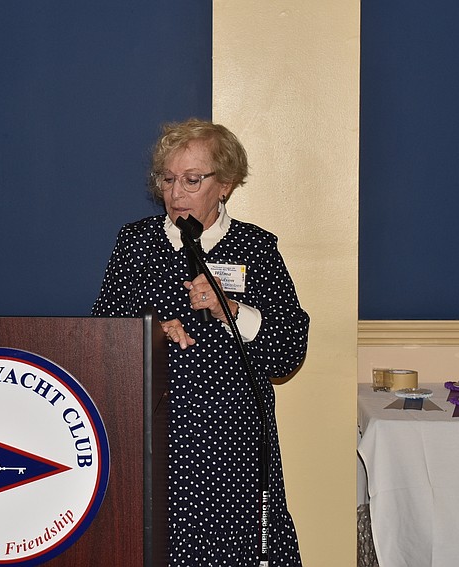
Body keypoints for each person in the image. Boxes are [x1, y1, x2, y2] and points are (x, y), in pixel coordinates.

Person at [92, 118, 309, 566]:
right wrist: (149, 331)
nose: (176, 194)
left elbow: (289, 350)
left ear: (225, 185)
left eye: (192, 181)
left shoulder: (256, 248)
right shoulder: (136, 243)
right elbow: (102, 340)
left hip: (234, 439)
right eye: (167, 180)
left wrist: (234, 313)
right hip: (157, 435)